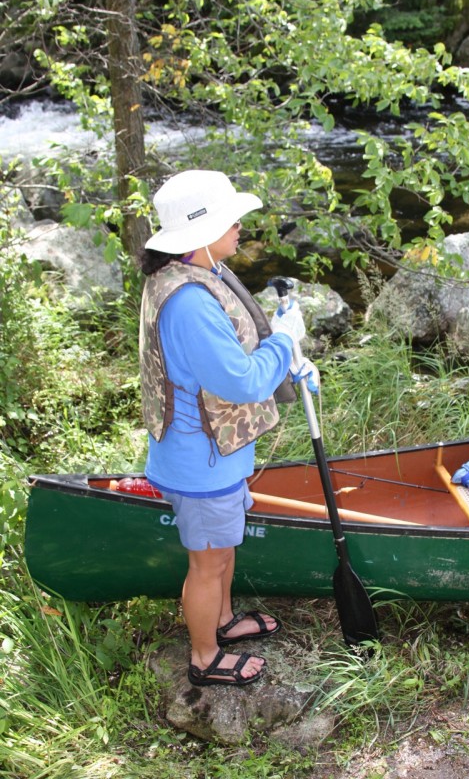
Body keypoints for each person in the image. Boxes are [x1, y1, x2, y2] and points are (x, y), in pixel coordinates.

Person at [139, 169, 309, 687]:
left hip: (214, 456)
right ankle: (204, 656)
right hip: (200, 464)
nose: (239, 224)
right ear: (199, 233)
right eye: (228, 218)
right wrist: (284, 341)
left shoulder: (194, 274)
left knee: (221, 551)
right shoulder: (188, 302)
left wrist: (288, 355)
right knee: (207, 564)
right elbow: (240, 381)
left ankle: (222, 621)